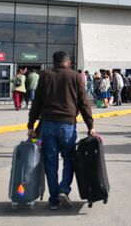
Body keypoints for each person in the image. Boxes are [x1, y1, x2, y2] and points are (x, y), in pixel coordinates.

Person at [27, 51, 95, 210]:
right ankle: (64, 188)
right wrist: (90, 125)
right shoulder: (75, 77)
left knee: (51, 163)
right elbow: (84, 103)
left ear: (54, 62)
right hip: (67, 126)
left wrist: (31, 125)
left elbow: (37, 103)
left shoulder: (45, 76)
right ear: (68, 62)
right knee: (69, 159)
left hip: (48, 125)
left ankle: (53, 200)